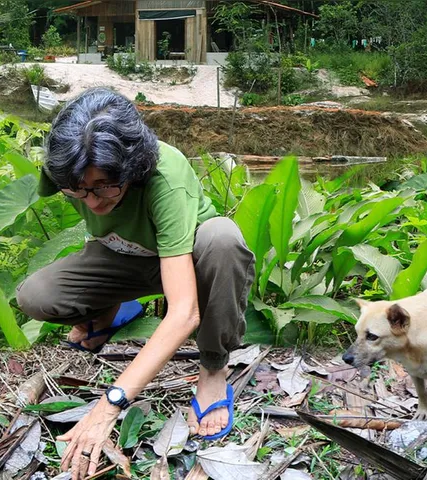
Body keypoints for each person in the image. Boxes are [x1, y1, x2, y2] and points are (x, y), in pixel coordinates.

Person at [15, 87, 255, 479]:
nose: (91, 202)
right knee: (37, 296)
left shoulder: (164, 175)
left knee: (223, 238)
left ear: (133, 167)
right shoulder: (68, 164)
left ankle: (214, 369)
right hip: (122, 256)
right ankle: (113, 312)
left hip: (189, 259)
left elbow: (184, 312)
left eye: (106, 186)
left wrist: (109, 404)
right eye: (79, 189)